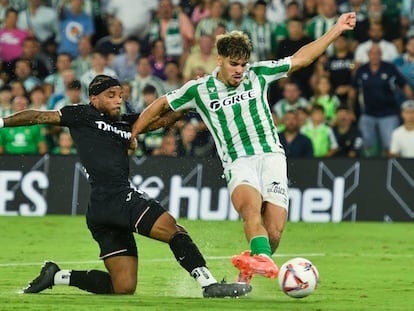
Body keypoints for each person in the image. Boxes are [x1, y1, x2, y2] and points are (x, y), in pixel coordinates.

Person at [130, 13, 357, 284]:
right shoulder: (199, 89)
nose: (239, 69)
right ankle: (260, 261)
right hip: (238, 162)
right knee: (251, 209)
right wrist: (133, 133)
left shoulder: (258, 74)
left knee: (273, 233)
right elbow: (162, 105)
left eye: (243, 64)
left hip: (272, 156)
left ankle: (245, 276)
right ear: (219, 60)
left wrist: (337, 28)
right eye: (233, 64)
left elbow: (302, 58)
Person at [0, 75, 251, 298]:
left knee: (123, 287)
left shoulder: (125, 123)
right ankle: (209, 284)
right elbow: (37, 115)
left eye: (120, 96)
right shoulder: (80, 114)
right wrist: (2, 123)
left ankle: (56, 276)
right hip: (114, 198)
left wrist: (192, 101)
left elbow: (161, 120)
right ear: (94, 98)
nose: (118, 100)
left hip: (103, 208)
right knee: (174, 230)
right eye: (111, 96)